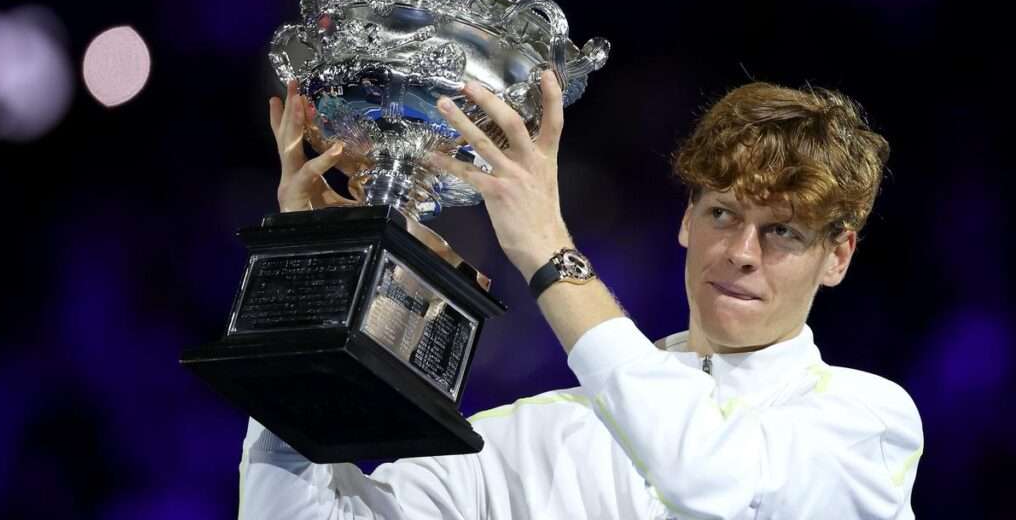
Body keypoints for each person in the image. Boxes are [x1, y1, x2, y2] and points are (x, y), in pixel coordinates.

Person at [240, 72, 923, 519]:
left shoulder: (868, 424)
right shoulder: (537, 435)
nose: (742, 253)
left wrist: (544, 246)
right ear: (687, 220)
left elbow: (710, 483)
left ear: (837, 256)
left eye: (781, 232)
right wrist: (319, 278)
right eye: (722, 214)